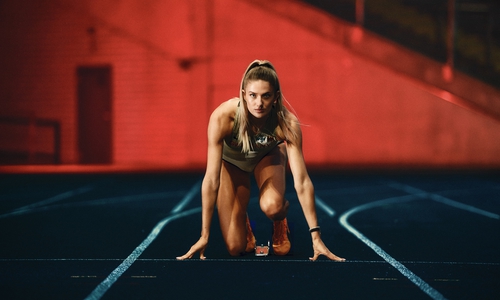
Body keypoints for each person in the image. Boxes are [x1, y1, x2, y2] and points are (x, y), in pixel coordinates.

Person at [176, 60, 345, 261]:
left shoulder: (286, 122)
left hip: (268, 156)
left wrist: (315, 236)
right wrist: (204, 235)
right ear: (243, 94)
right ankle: (244, 225)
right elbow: (211, 180)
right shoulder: (223, 117)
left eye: (266, 96)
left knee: (272, 206)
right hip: (231, 164)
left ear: (276, 97)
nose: (259, 103)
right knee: (236, 248)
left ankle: (279, 221)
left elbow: (302, 181)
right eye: (253, 96)